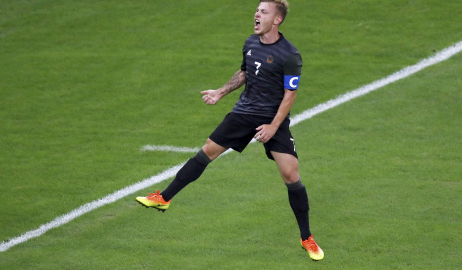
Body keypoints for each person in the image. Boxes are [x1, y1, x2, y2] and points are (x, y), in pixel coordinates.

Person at [136, 0, 324, 261]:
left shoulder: (289, 55)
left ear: (277, 20)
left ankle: (307, 238)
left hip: (273, 118)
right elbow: (245, 72)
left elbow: (290, 94)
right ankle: (163, 198)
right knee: (207, 151)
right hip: (244, 112)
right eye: (257, 10)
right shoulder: (250, 43)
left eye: (264, 12)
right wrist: (221, 92)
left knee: (291, 174)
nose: (257, 14)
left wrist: (273, 126)